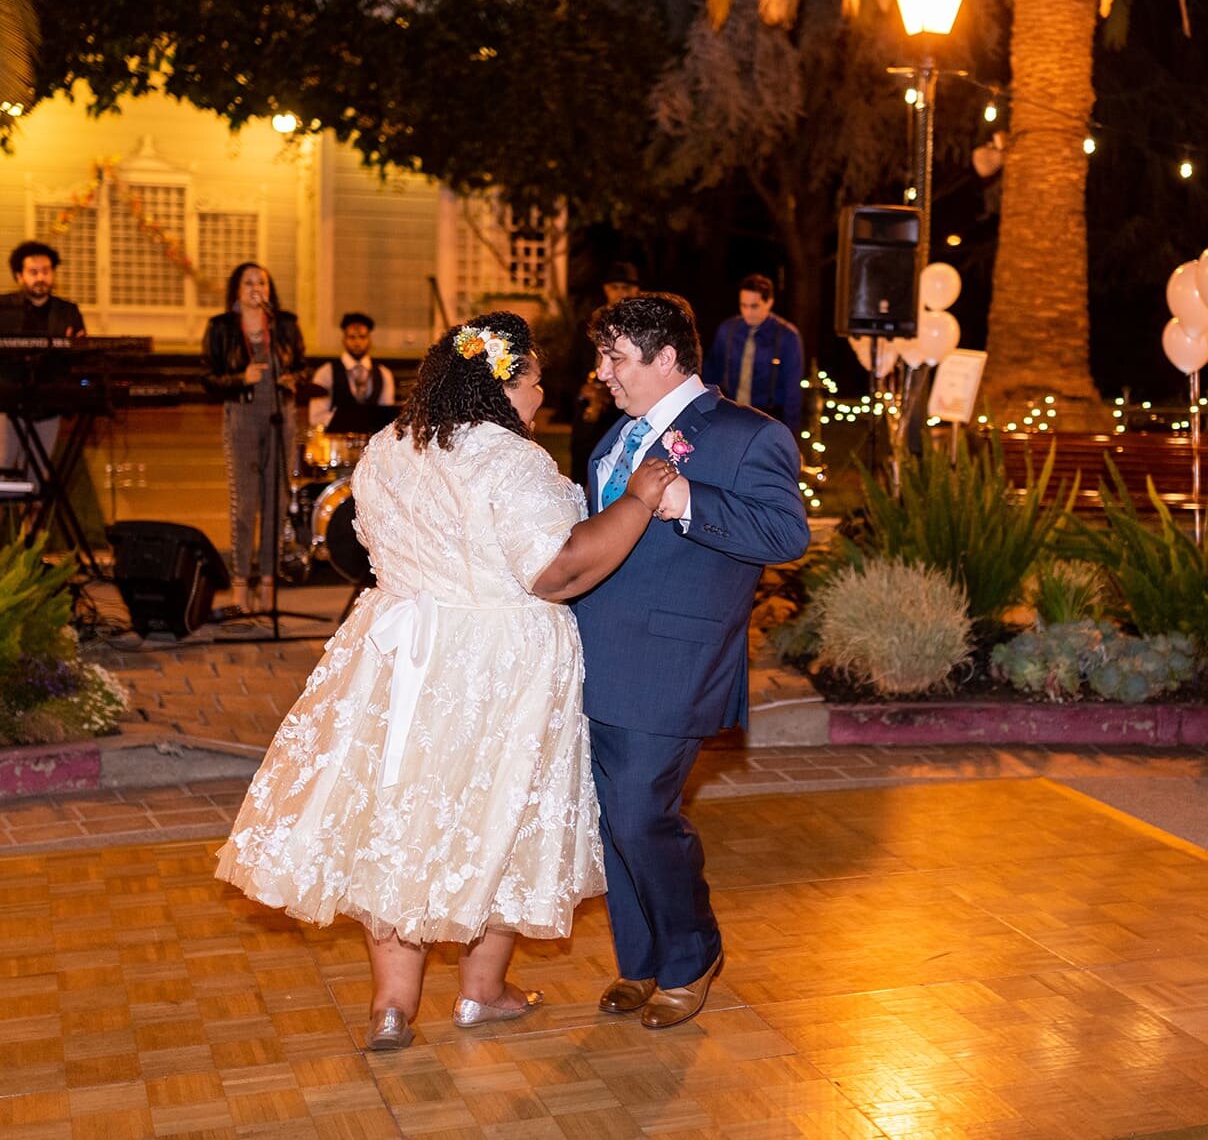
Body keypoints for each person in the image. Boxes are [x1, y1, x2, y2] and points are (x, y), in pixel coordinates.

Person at [215, 311, 678, 1052]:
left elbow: (371, 544)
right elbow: (557, 569)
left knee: (401, 817)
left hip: (400, 658)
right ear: (499, 385)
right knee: (497, 816)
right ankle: (482, 992)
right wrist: (638, 501)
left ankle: (392, 1005)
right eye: (532, 382)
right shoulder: (508, 459)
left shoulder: (390, 447)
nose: (540, 397)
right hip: (497, 664)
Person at [573, 293, 810, 1029]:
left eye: (615, 356)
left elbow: (786, 533)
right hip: (593, 657)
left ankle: (694, 951)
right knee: (614, 820)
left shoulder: (748, 435)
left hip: (674, 663)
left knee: (645, 813)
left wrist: (685, 499)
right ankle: (639, 963)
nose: (601, 371)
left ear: (667, 356)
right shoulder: (611, 438)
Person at [202, 262, 308, 614]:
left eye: (261, 281)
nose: (255, 288)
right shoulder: (221, 328)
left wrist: (292, 379)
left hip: (281, 417)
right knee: (245, 505)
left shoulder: (285, 325)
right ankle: (240, 586)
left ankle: (268, 585)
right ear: (236, 290)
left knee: (275, 503)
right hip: (242, 415)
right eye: (247, 283)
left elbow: (302, 367)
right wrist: (239, 378)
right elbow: (209, 379)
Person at [0, 241, 87, 474]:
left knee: (38, 475)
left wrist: (72, 347)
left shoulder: (67, 311)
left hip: (46, 401)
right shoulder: (0, 306)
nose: (40, 278)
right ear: (19, 276)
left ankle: (35, 510)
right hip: (3, 398)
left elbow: (78, 355)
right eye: (33, 272)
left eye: (46, 271)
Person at [569, 262, 641, 486]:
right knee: (580, 474)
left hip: (622, 411)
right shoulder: (587, 325)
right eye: (614, 287)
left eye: (626, 288)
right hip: (589, 410)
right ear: (605, 290)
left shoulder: (640, 329)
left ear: (636, 291)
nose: (620, 293)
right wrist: (583, 389)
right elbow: (569, 369)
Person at [701, 274, 804, 426]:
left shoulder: (787, 336)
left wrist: (791, 432)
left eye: (754, 306)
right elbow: (712, 372)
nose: (748, 312)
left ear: (769, 302)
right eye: (743, 305)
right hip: (731, 412)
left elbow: (792, 390)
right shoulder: (728, 330)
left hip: (769, 416)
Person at [307, 312, 399, 435]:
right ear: (344, 339)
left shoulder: (384, 374)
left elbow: (387, 416)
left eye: (362, 337)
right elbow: (316, 417)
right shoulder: (326, 372)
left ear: (369, 339)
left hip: (372, 444)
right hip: (336, 443)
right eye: (352, 337)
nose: (357, 343)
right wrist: (351, 420)